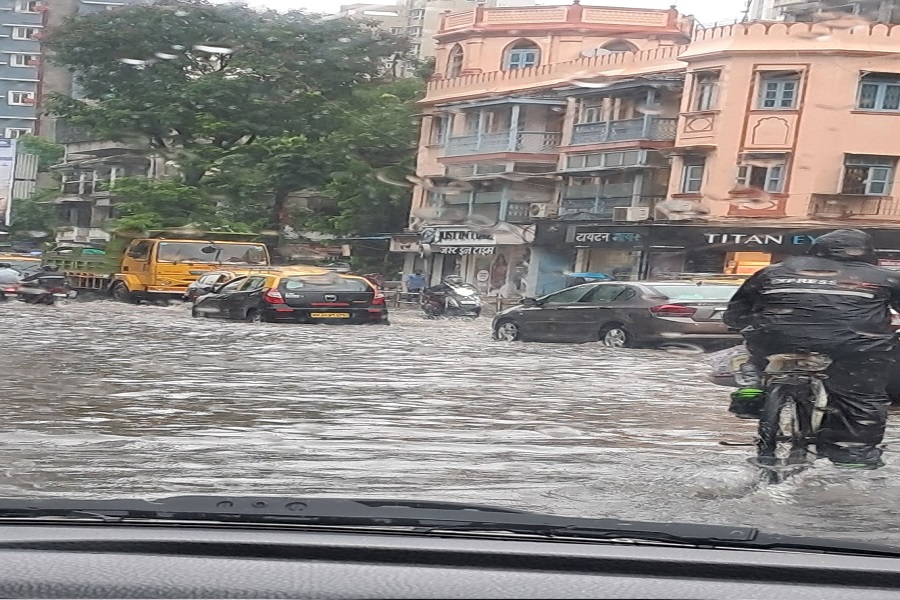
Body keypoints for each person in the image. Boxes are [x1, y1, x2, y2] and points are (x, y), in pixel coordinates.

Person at [723, 229, 900, 469]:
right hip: (853, 348)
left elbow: (735, 315)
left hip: (774, 341)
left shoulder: (772, 271)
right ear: (869, 253)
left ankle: (753, 387)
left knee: (750, 351)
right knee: (862, 397)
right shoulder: (885, 277)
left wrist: (746, 328)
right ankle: (854, 455)